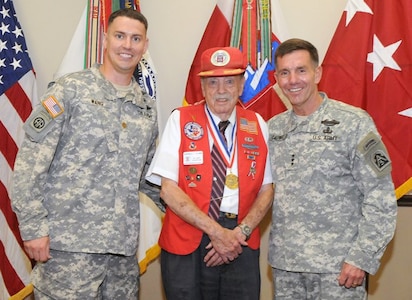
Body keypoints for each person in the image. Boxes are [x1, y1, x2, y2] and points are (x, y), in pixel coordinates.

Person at [11, 8, 159, 299]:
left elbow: (148, 176)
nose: (127, 45)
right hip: (67, 250)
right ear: (105, 39)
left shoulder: (145, 107)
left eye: (135, 38)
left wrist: (200, 213)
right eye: (120, 36)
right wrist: (32, 228)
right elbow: (30, 164)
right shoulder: (69, 91)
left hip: (121, 255)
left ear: (145, 45)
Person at [267, 38, 397, 299]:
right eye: (285, 72)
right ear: (277, 79)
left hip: (338, 270)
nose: (293, 80)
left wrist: (362, 257)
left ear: (318, 73)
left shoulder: (353, 123)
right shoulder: (272, 129)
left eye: (301, 70)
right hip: (287, 269)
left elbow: (380, 197)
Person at [146, 46, 274, 299]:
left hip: (241, 239)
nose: (221, 90)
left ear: (241, 86)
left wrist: (238, 234)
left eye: (229, 81)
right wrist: (218, 233)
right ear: (203, 88)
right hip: (188, 237)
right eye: (212, 82)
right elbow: (168, 190)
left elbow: (267, 190)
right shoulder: (180, 120)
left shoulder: (257, 124)